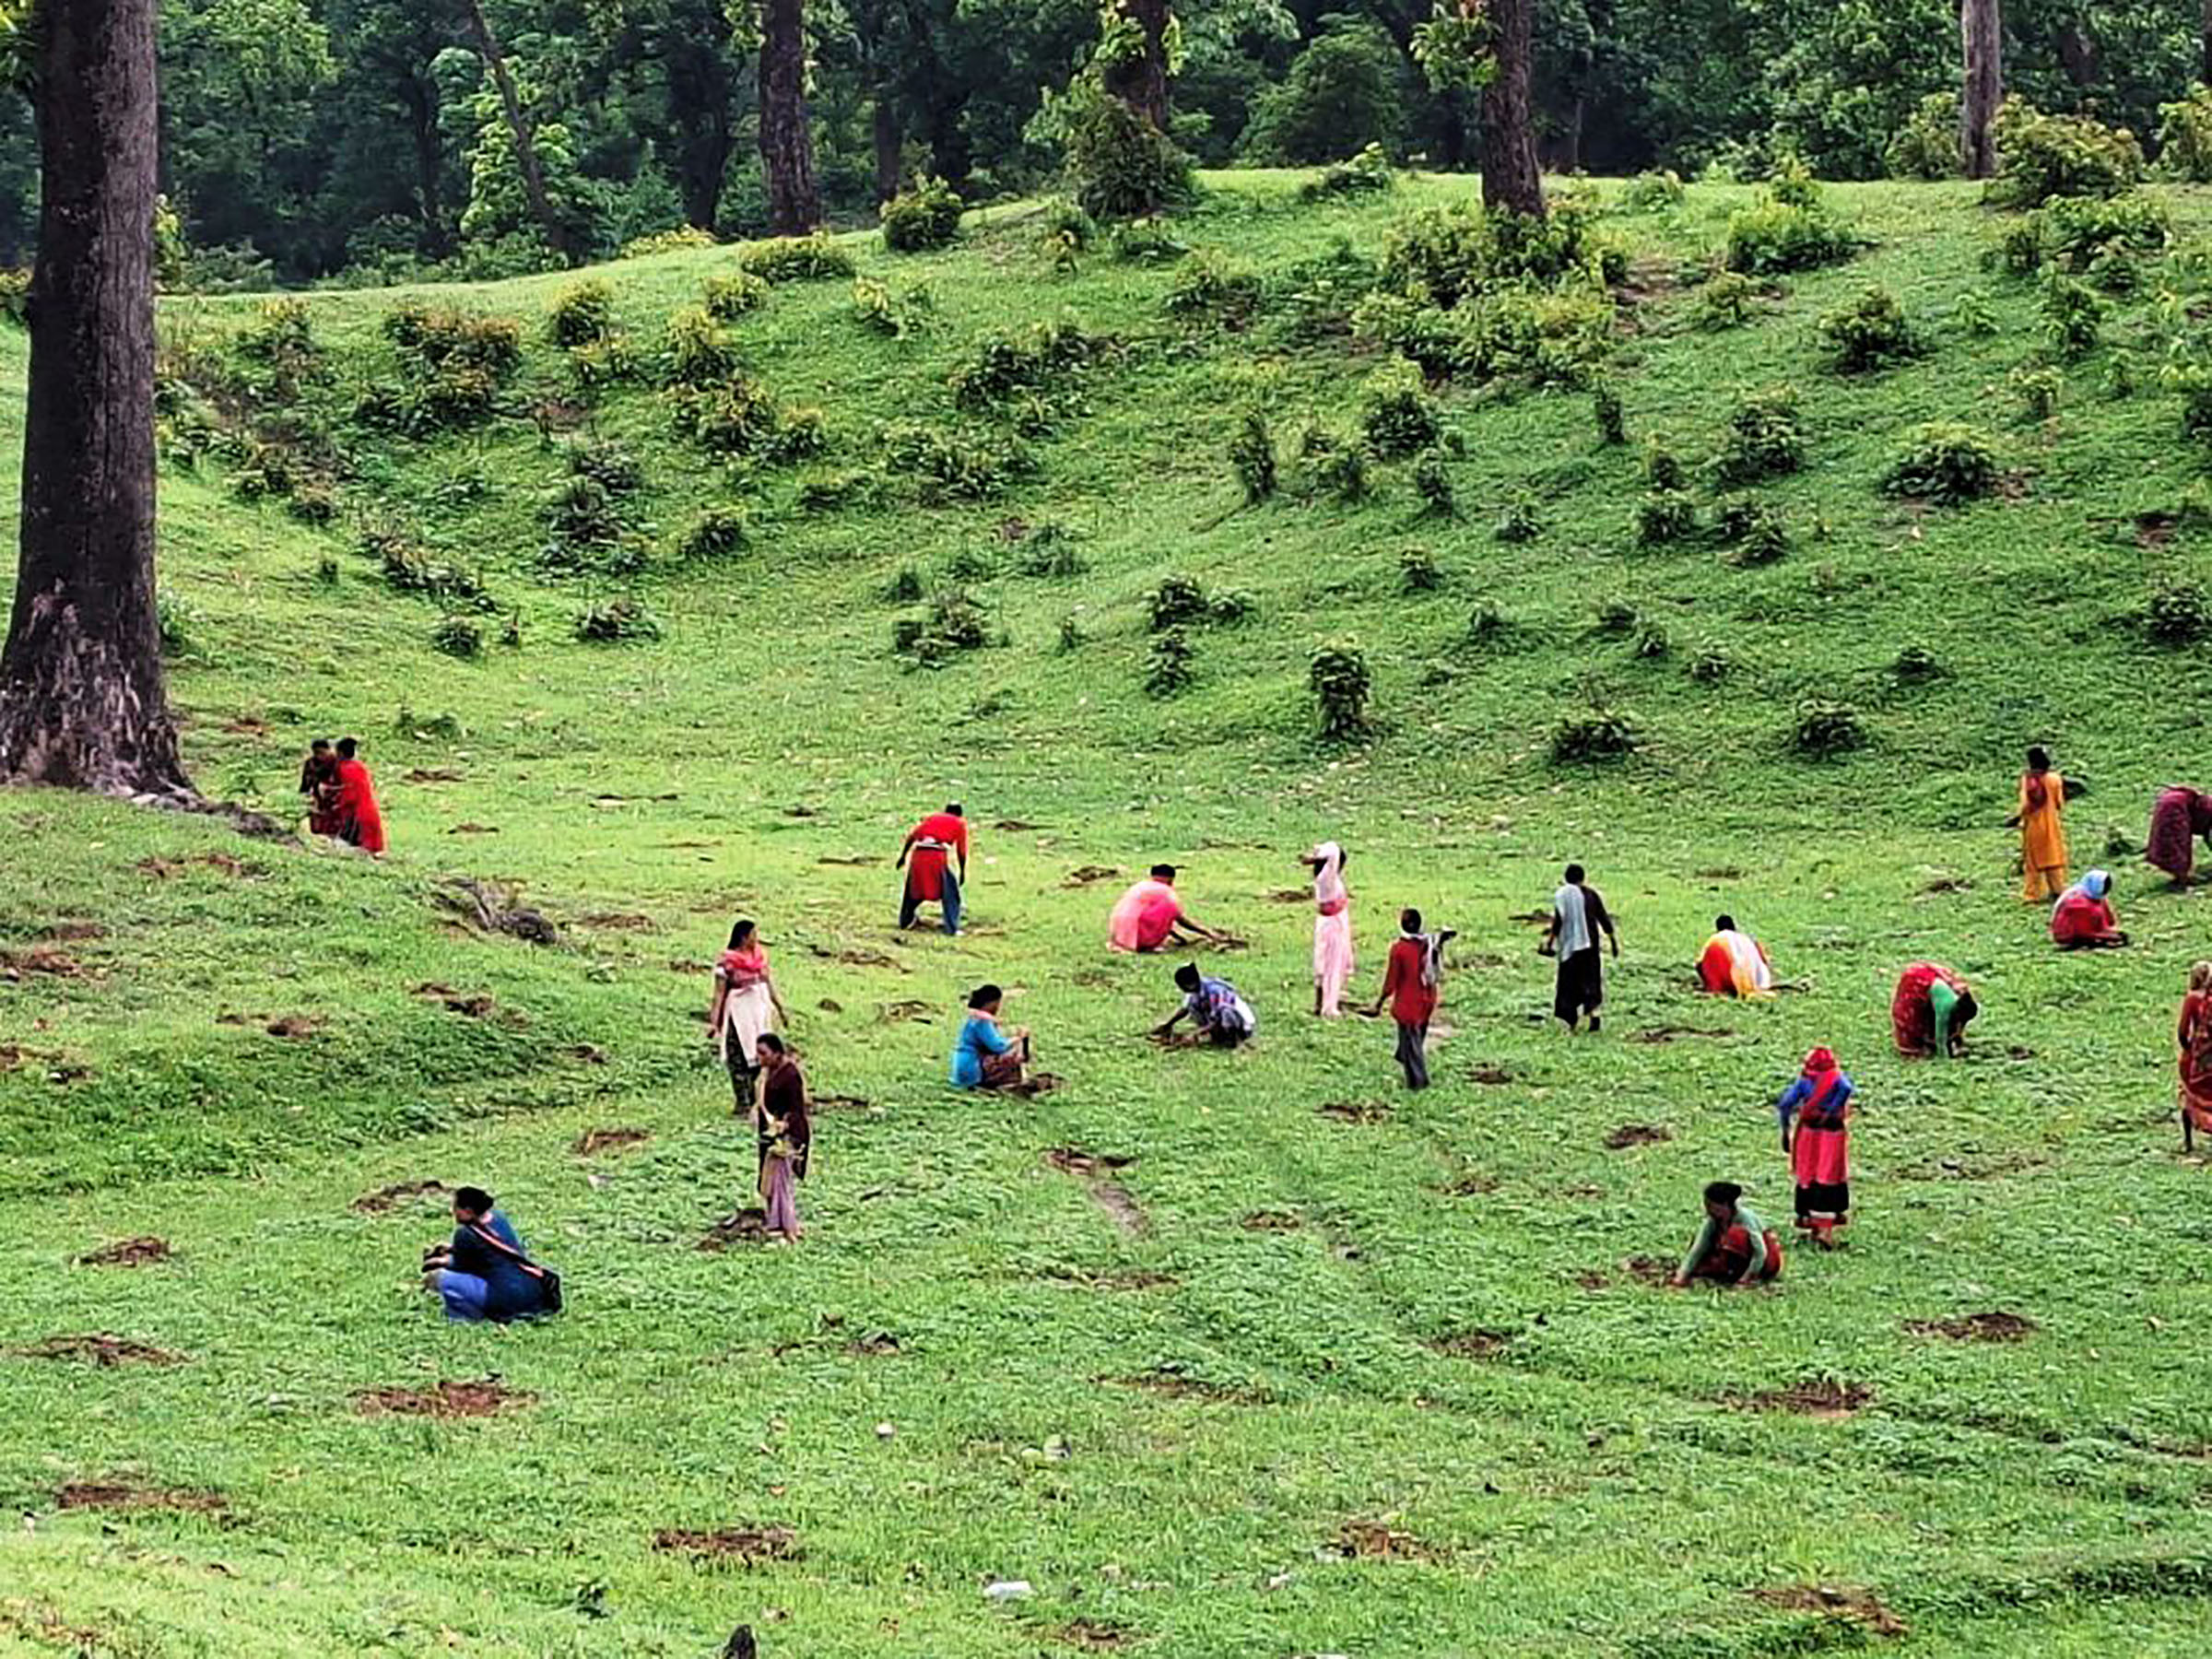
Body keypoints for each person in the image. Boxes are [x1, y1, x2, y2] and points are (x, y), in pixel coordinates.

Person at [422, 1187, 554, 1322]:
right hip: (534, 1293)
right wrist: (452, 1249)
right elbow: (487, 1251)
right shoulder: (499, 1218)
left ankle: (470, 1315)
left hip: (505, 1298)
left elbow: (462, 1266)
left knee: (436, 1279)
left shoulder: (464, 1234)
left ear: (468, 1212)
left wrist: (440, 1261)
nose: (453, 1212)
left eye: (456, 1208)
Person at [1776, 1048, 1853, 1248]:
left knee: (1807, 1174)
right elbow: (1846, 1088)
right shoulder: (1835, 1078)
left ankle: (1811, 1222)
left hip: (1809, 1134)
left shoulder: (1804, 1082)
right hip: (1832, 1133)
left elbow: (1785, 1104)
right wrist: (1832, 1108)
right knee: (1828, 1176)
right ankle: (1825, 1230)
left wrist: (1785, 1131)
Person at [709, 920, 788, 1112]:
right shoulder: (727, 964)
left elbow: (768, 984)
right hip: (738, 1014)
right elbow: (719, 994)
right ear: (744, 937)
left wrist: (780, 1009)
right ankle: (743, 1102)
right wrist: (714, 1022)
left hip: (758, 1013)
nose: (756, 938)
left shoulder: (760, 959)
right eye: (753, 934)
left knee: (758, 1056)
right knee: (738, 1058)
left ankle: (751, 1100)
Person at [1370, 909, 1449, 1089]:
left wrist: (1379, 1002)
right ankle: (1403, 1055)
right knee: (1415, 1038)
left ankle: (1418, 1083)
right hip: (1427, 1000)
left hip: (1408, 1005)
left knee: (1413, 1045)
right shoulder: (1428, 944)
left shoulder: (1399, 950)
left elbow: (1391, 981)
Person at [1541, 863, 1618, 1033]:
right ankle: (1594, 1015)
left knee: (1569, 984)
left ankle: (1571, 1022)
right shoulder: (1591, 895)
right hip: (1590, 947)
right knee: (1591, 981)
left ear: (1566, 878)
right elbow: (1603, 918)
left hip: (1570, 948)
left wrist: (1550, 942)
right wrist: (1613, 941)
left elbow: (1558, 922)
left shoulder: (1563, 896)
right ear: (1583, 878)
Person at [1670, 1182, 1783, 1288]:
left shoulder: (1745, 1219)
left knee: (1735, 1235)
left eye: (1711, 1206)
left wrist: (1746, 1279)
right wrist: (1682, 1275)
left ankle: (1742, 1274)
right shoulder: (1712, 1221)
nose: (1707, 1210)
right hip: (1732, 1261)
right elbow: (1698, 1248)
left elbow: (1760, 1252)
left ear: (1725, 1205)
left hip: (1764, 1262)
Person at [754, 1033, 809, 1244]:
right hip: (769, 1132)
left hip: (785, 1134)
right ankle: (774, 1220)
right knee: (768, 1178)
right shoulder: (768, 1073)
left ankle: (784, 1226)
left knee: (780, 1182)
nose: (760, 1058)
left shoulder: (790, 1074)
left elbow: (797, 1109)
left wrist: (784, 1127)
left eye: (764, 1053)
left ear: (777, 1053)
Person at [1109, 865, 1223, 954]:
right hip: (1136, 927)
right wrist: (1207, 932)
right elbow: (1181, 920)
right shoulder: (1167, 893)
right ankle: (1142, 946)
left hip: (1117, 926)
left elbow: (1156, 917)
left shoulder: (1140, 886)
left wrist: (1178, 937)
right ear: (1171, 880)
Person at [2008, 745, 2068, 903]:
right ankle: (2057, 889)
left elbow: (2025, 804)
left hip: (2034, 824)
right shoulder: (2055, 779)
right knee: (2053, 857)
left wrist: (2016, 818)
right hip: (2052, 823)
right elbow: (2059, 803)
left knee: (2033, 861)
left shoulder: (2028, 780)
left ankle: (2033, 895)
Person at [897, 804, 969, 935]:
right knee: (950, 893)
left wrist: (903, 857)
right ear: (960, 814)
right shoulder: (959, 823)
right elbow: (962, 851)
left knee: (913, 889)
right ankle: (951, 928)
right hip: (936, 857)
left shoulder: (932, 818)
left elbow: (912, 837)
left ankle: (905, 921)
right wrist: (963, 870)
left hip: (917, 855)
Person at [1305, 842, 1355, 1018]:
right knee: (1332, 966)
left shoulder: (1323, 877)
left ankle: (1319, 1004)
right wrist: (1318, 856)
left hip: (1328, 923)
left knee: (1322, 965)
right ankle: (1329, 1007)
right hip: (1333, 926)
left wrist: (1318, 853)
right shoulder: (1327, 878)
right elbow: (1333, 851)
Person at [1155, 962, 1255, 1048]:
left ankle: (1233, 1039)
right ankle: (1218, 1036)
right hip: (1219, 1021)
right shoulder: (1195, 992)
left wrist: (1196, 1033)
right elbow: (1184, 1009)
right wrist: (1168, 1024)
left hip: (1241, 1025)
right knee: (1193, 1007)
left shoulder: (1215, 991)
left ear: (1190, 984)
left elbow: (1217, 1019)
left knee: (1226, 1012)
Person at [952, 983, 1031, 1089]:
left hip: (962, 1067)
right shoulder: (982, 1020)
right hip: (972, 1069)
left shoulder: (972, 1016)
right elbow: (998, 1046)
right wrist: (1019, 1037)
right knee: (1015, 1057)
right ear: (991, 1003)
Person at [1892, 960, 1977, 1058]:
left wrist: (1957, 1037)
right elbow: (1940, 1037)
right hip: (1917, 983)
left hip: (1935, 981)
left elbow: (1961, 1023)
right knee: (1911, 1021)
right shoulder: (1944, 1009)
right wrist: (1944, 1058)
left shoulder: (1962, 997)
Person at [330, 736, 386, 857]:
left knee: (346, 847)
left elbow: (349, 795)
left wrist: (336, 805)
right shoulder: (360, 767)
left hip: (356, 814)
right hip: (371, 811)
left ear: (340, 753)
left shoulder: (343, 769)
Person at [2177, 962, 2212, 1151]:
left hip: (2197, 1056)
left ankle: (2188, 1141)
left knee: (2189, 1095)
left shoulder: (2192, 998)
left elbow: (2183, 1031)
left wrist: (2189, 1048)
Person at [1696, 914, 1773, 998]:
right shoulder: (1747, 939)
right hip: (1759, 982)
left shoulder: (1716, 939)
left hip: (1731, 981)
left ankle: (1719, 986)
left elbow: (1699, 963)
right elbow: (1765, 960)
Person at [2147, 786, 2212, 887]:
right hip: (2176, 806)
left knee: (2172, 840)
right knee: (2177, 842)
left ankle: (2180, 875)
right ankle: (2182, 877)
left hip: (2169, 801)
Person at [2050, 869, 2126, 949]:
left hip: (2088, 932)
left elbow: (2110, 920)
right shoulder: (2078, 902)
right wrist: (2107, 937)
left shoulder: (2095, 896)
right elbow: (2082, 933)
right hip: (2071, 936)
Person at [299, 738, 339, 835]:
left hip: (333, 797)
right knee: (317, 827)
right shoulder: (310, 763)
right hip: (317, 798)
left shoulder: (336, 762)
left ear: (328, 750)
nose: (319, 756)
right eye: (316, 753)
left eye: (322, 753)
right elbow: (305, 783)